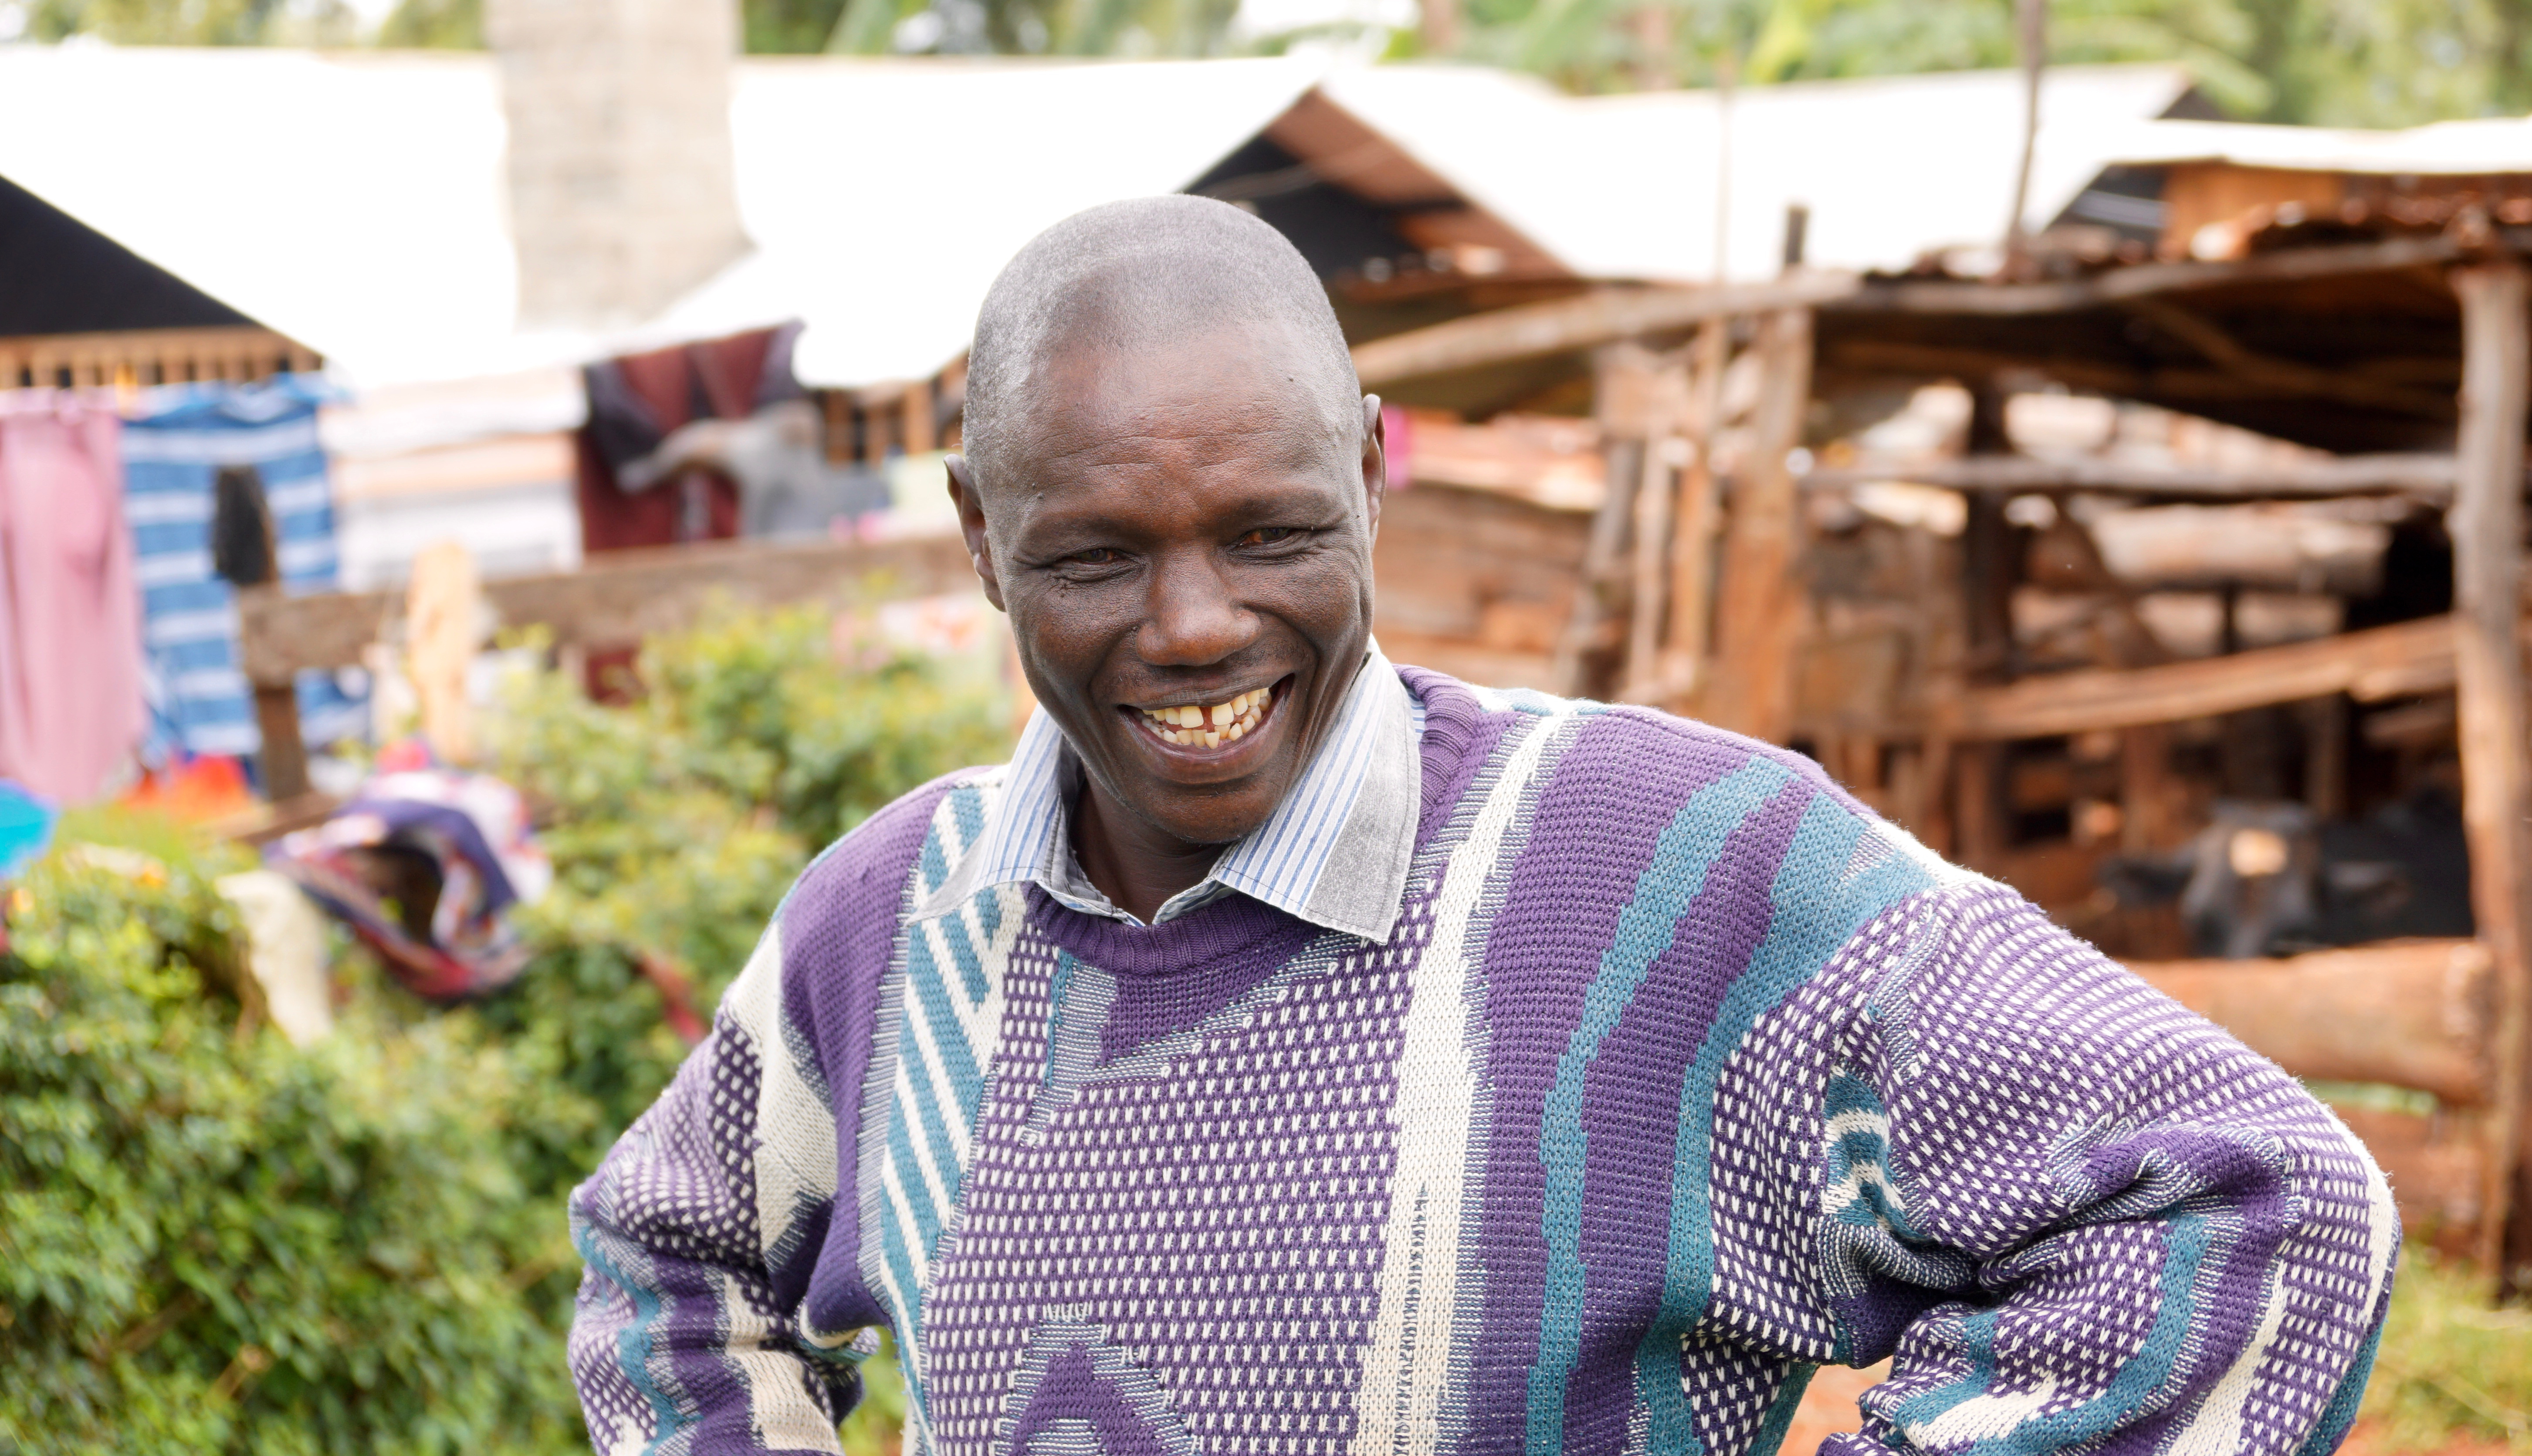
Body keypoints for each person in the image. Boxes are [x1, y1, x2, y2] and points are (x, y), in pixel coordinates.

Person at [568, 196, 2396, 1456]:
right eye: (1096, 553)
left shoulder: (1682, 873)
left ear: (1374, 470)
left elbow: (2259, 1204)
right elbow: (667, 1267)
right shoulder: (890, 922)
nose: (1195, 624)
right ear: (977, 535)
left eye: (1272, 530)